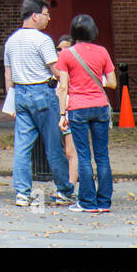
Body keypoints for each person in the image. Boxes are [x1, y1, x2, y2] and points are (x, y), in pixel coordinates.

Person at [2, 0, 76, 207]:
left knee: (22, 147)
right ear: (34, 16)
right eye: (45, 14)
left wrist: (11, 99)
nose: (48, 18)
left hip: (21, 94)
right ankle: (64, 189)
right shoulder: (42, 40)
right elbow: (56, 70)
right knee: (53, 145)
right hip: (42, 92)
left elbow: (8, 75)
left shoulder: (11, 40)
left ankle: (22, 192)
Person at [56, 13, 117, 213]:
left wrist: (62, 114)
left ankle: (87, 201)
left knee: (83, 156)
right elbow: (113, 82)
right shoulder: (102, 52)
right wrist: (97, 82)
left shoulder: (66, 54)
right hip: (100, 106)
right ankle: (104, 201)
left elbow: (63, 86)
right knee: (102, 155)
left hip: (77, 107)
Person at [54, 37, 80, 188]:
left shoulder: (73, 67)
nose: (62, 52)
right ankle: (66, 184)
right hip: (57, 111)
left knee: (71, 151)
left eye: (66, 48)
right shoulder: (54, 67)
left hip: (70, 111)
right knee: (62, 151)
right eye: (59, 49)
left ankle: (71, 186)